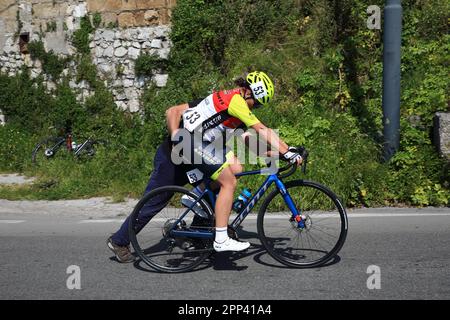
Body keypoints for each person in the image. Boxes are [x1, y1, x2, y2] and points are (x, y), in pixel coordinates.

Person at [170, 71, 303, 252]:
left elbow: (250, 141)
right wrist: (287, 151)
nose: (254, 107)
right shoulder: (236, 101)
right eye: (255, 102)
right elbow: (261, 129)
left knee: (236, 167)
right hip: (191, 140)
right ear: (248, 92)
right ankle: (221, 239)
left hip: (203, 141)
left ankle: (197, 196)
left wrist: (283, 153)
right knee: (229, 182)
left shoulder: (237, 103)